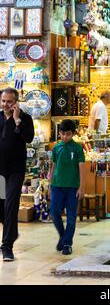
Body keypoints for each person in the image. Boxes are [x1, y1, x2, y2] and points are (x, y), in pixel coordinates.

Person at [0, 88, 34, 261]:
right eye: (3, 101)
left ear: (16, 102)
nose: (6, 105)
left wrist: (17, 121)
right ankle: (11, 233)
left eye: (10, 101)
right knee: (2, 206)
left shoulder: (25, 119)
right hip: (0, 172)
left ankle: (7, 246)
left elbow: (28, 138)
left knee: (11, 205)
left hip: (15, 170)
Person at [49, 119, 85, 255]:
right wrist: (50, 183)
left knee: (71, 217)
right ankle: (63, 236)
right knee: (54, 213)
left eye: (68, 134)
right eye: (62, 134)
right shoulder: (56, 148)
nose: (65, 137)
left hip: (72, 188)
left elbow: (82, 170)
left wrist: (82, 187)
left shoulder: (77, 148)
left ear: (73, 134)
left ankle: (67, 244)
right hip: (57, 186)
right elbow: (53, 166)